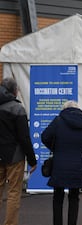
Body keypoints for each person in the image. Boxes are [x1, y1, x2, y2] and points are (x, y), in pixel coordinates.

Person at [41, 100, 82, 225]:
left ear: (64, 109)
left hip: (60, 163)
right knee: (74, 197)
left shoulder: (58, 121)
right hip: (77, 163)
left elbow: (44, 136)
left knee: (58, 197)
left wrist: (54, 147)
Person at [0, 77, 37, 225]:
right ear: (14, 91)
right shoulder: (17, 108)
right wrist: (32, 160)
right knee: (14, 192)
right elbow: (24, 138)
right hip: (14, 156)